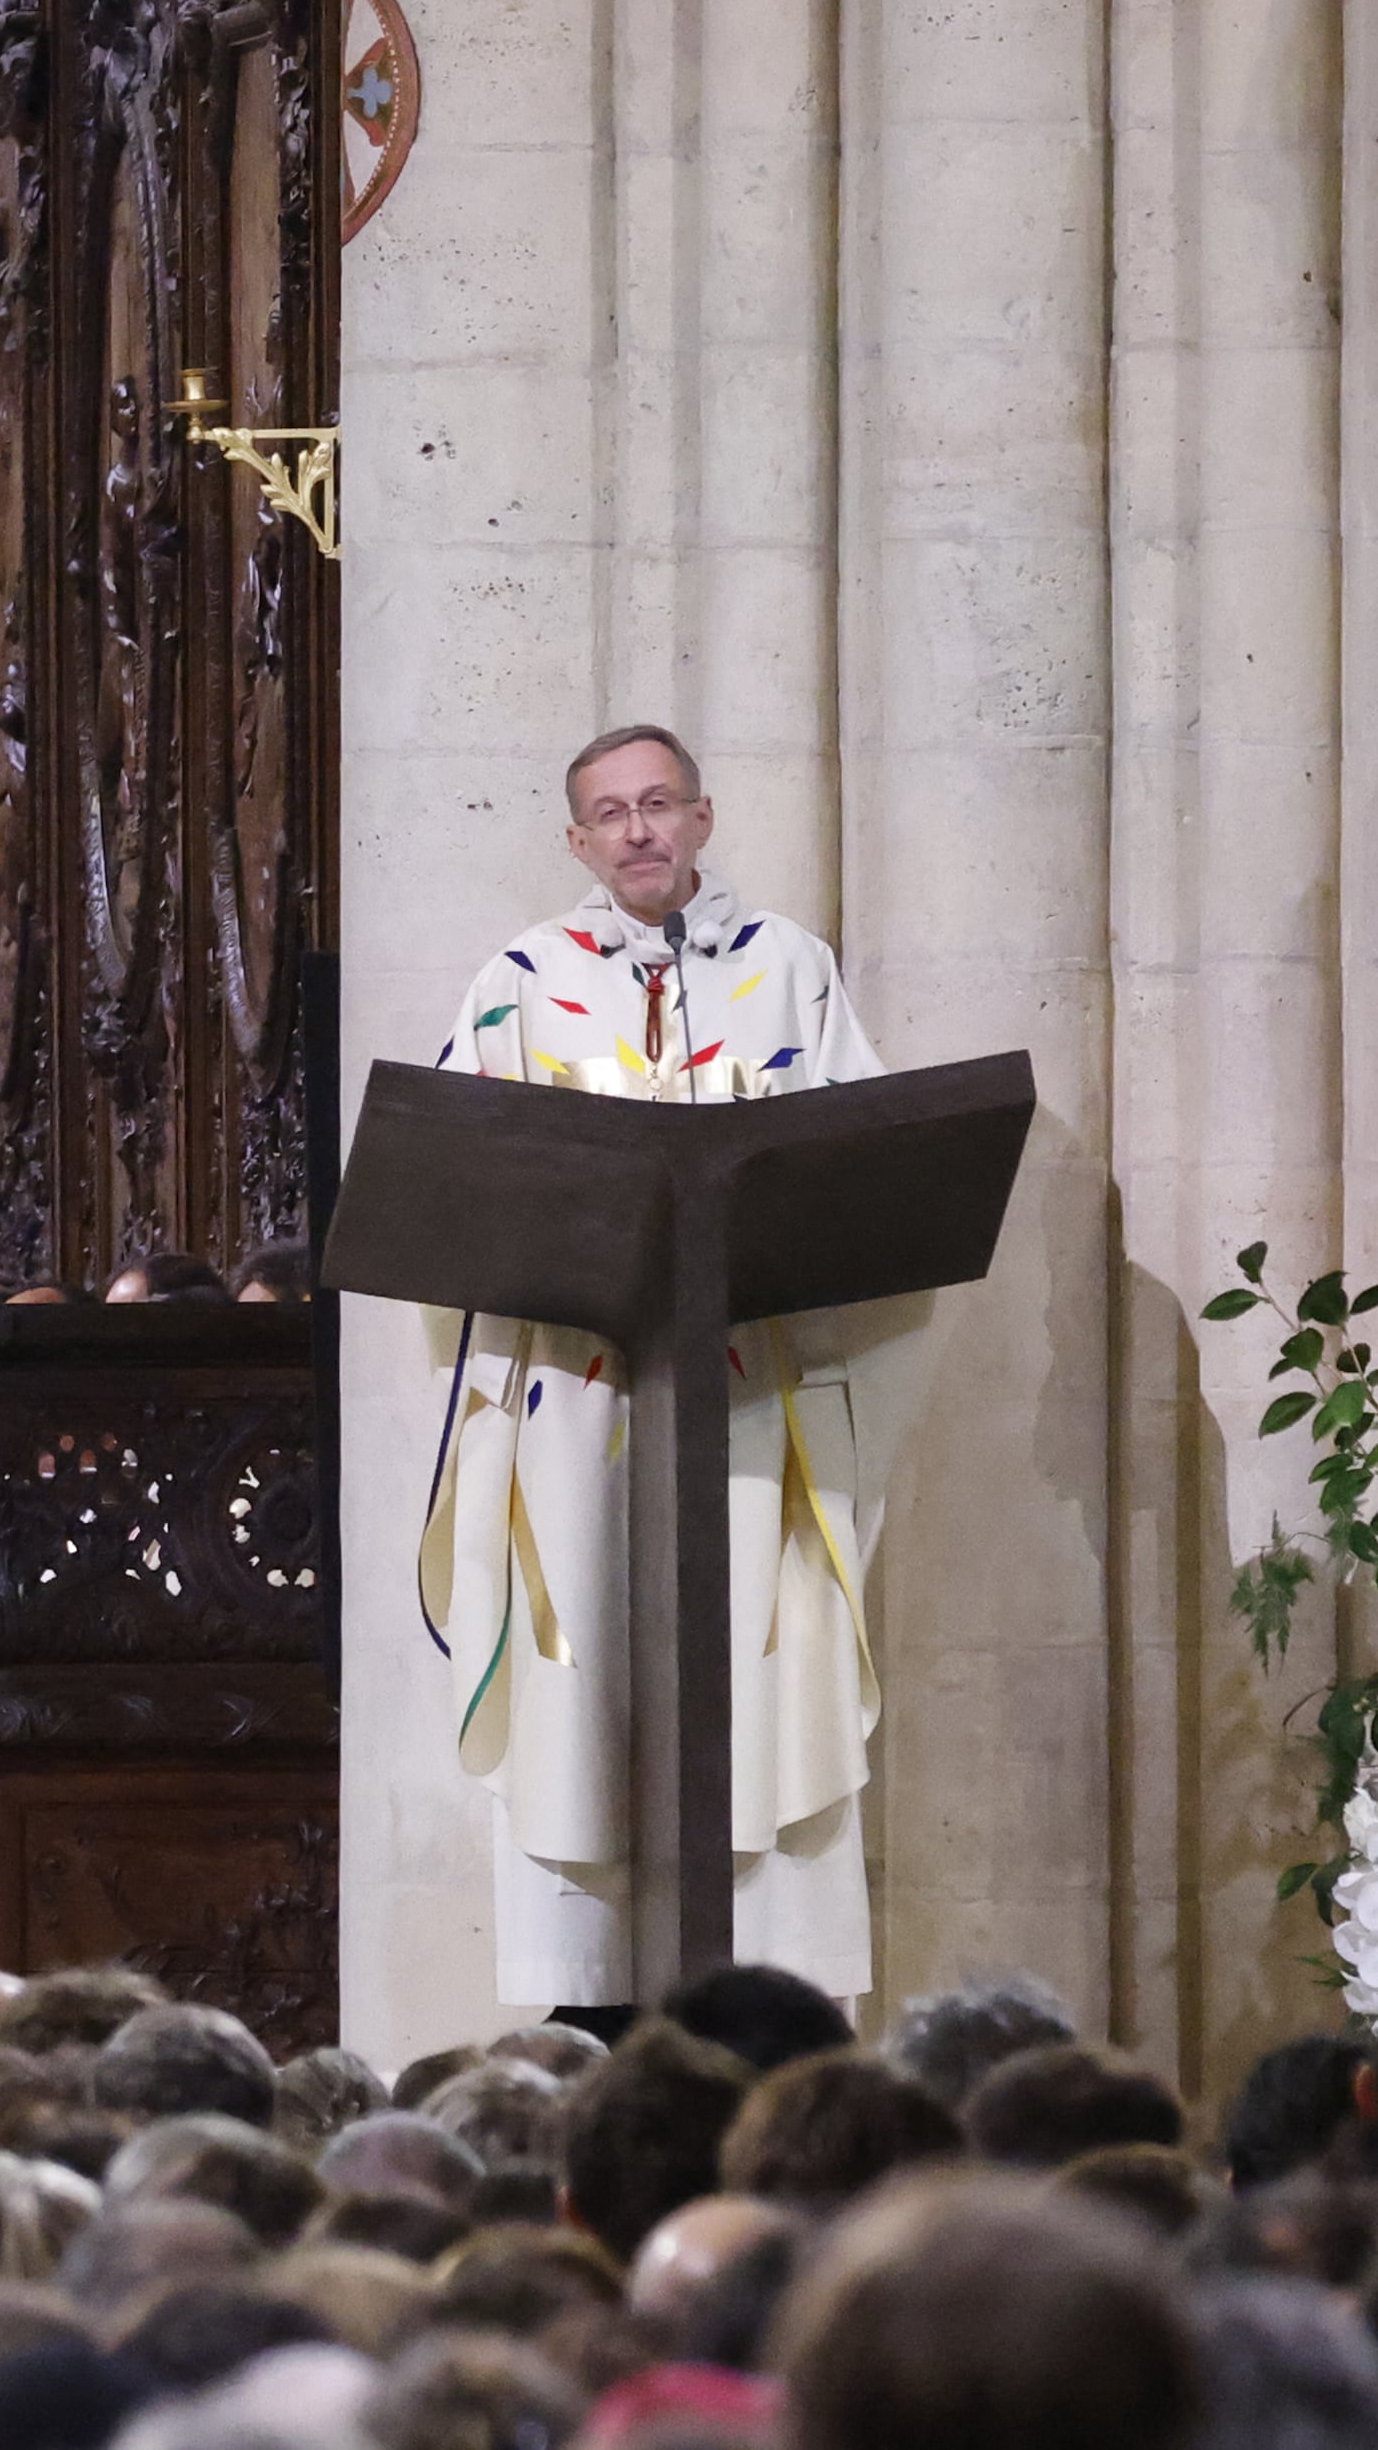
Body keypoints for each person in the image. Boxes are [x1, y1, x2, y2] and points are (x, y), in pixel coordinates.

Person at [418, 722, 888, 2003]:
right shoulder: (520, 976)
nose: (636, 829)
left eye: (658, 803)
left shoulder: (788, 968)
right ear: (576, 840)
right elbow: (450, 1177)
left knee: (757, 1669)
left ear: (702, 816)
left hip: (743, 1398)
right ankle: (595, 2001)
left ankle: (761, 1992)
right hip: (583, 1405)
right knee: (589, 1696)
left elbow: (870, 1163)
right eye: (608, 812)